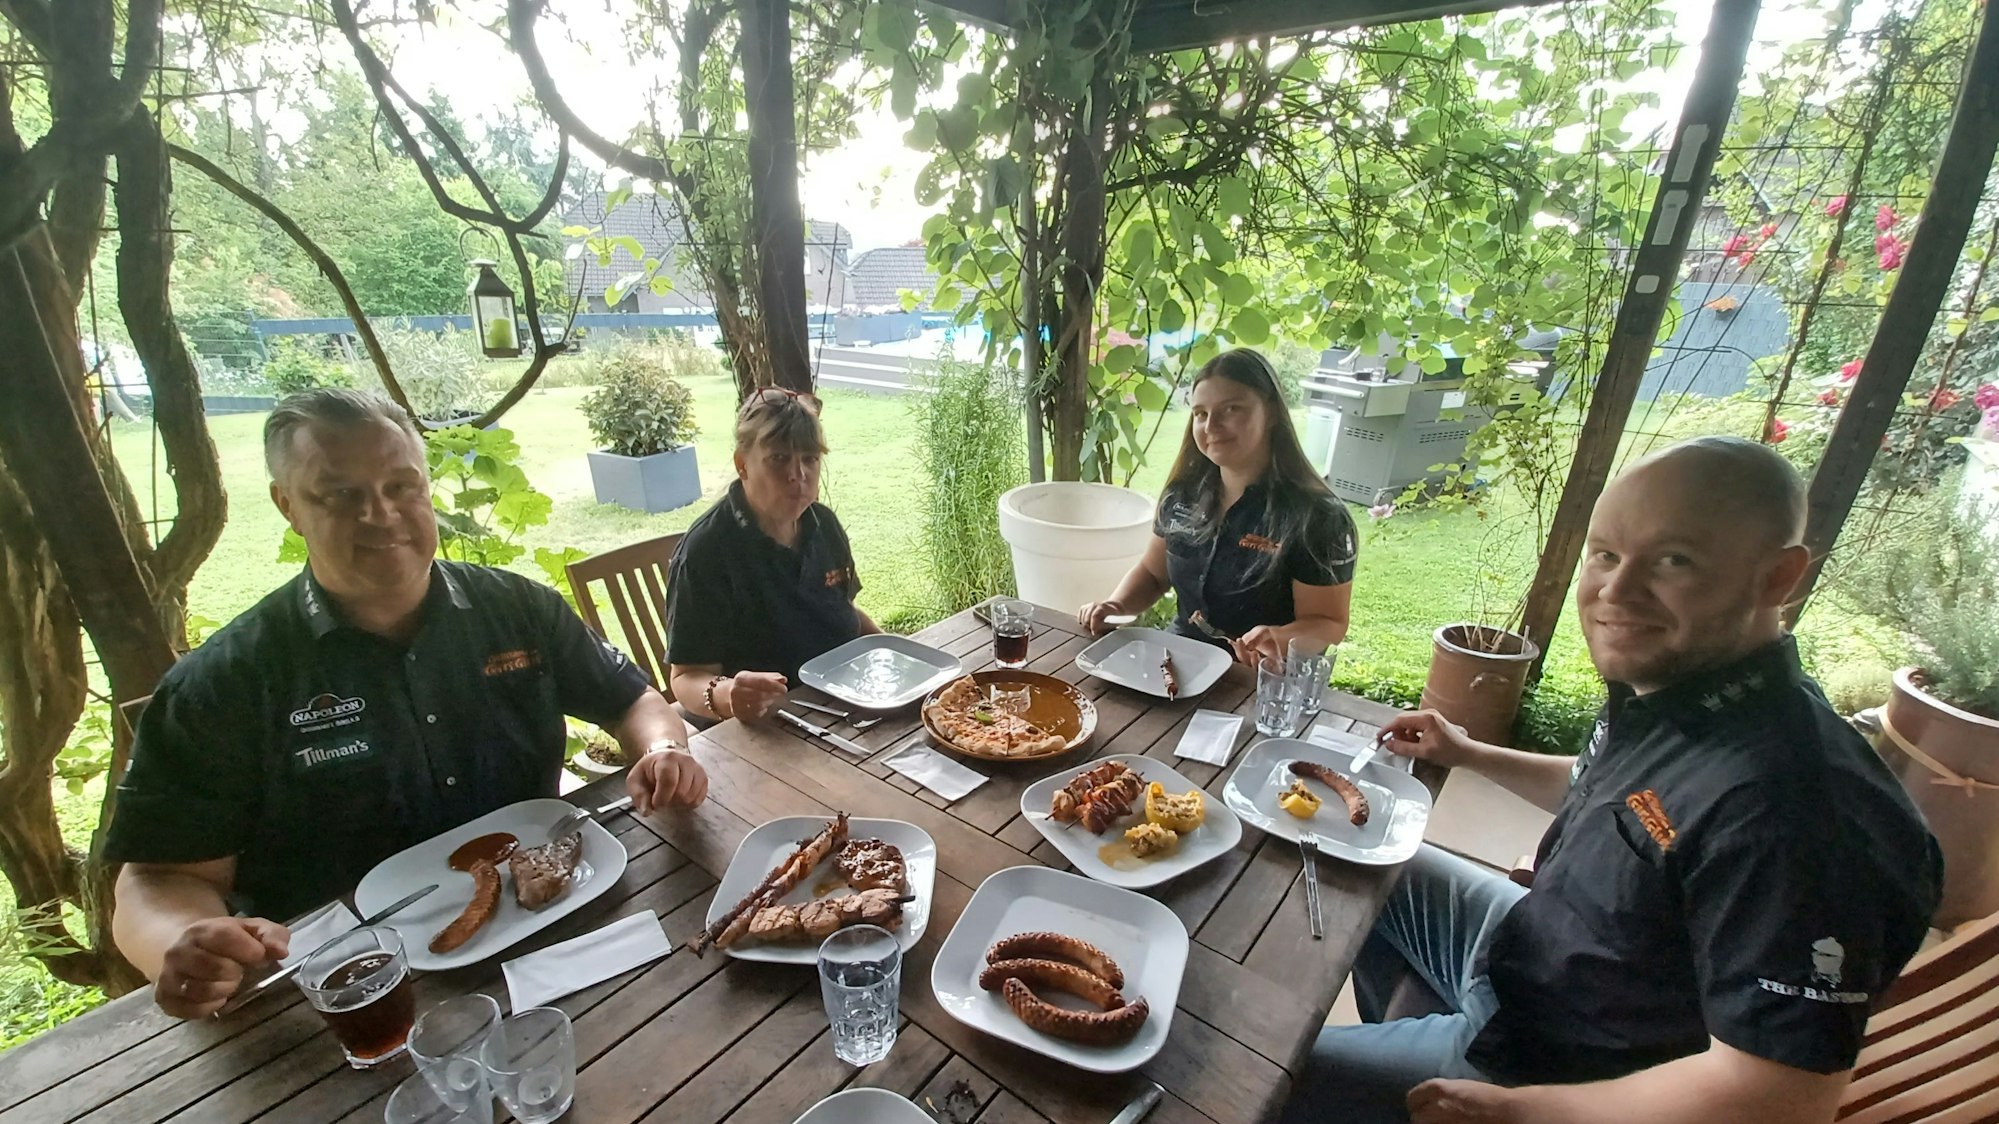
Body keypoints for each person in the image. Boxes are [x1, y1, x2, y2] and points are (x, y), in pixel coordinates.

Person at [1282, 436, 1943, 1124]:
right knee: (1360, 851)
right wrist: (1467, 752)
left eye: (1673, 560)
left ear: (1778, 578)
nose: (1616, 592)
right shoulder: (1684, 689)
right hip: (1532, 953)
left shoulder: (1801, 819)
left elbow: (1779, 1097)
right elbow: (1608, 790)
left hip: (1553, 1061)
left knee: (1244, 1067)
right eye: (1605, 555)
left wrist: (1527, 1112)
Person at [106, 389, 708, 1020]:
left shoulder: (518, 611)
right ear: (288, 506)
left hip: (555, 934)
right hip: (349, 997)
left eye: (401, 486)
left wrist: (664, 749)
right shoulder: (226, 680)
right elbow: (157, 879)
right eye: (340, 494)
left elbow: (635, 700)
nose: (381, 514)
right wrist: (183, 942)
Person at [1077, 348, 1358, 665]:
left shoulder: (1320, 518)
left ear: (1271, 413)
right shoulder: (1181, 494)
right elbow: (1153, 575)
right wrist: (1116, 605)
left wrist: (1278, 638)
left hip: (1265, 675)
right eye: (1200, 413)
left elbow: (1329, 622)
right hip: (1177, 660)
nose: (1211, 425)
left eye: (1231, 409)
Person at [666, 388, 880, 725]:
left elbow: (844, 609)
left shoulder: (824, 524)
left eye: (810, 458)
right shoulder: (706, 551)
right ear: (742, 464)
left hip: (846, 699)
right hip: (765, 724)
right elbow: (686, 677)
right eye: (779, 458)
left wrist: (893, 650)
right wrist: (729, 694)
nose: (799, 474)